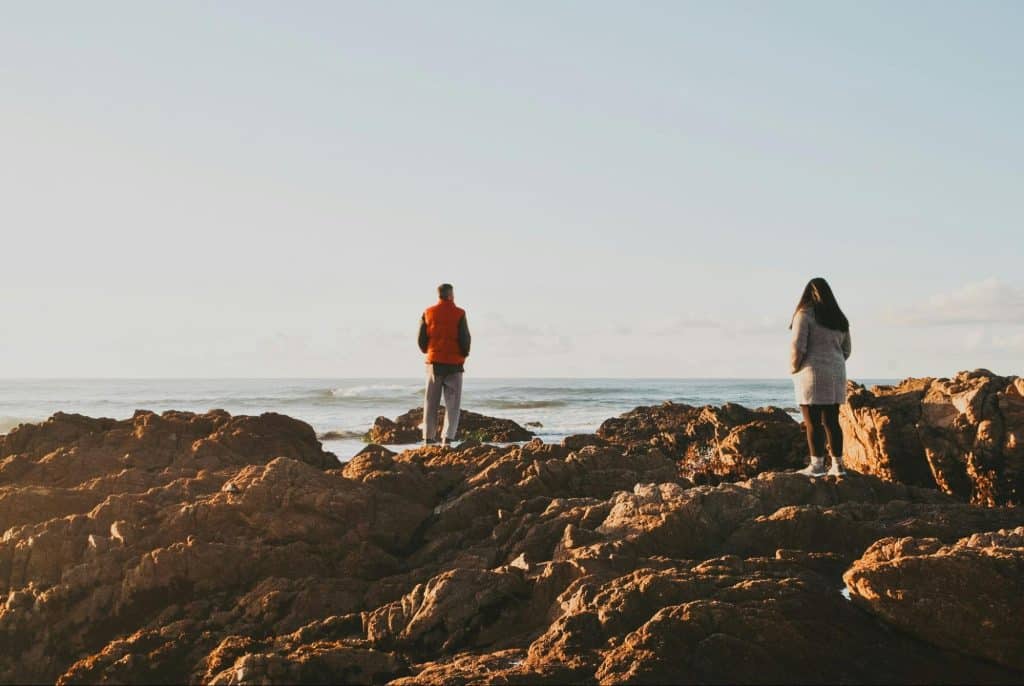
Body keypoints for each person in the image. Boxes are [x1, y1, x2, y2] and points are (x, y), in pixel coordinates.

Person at [790, 277, 852, 477]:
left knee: (812, 422)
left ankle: (816, 466)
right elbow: (847, 350)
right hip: (836, 373)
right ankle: (838, 466)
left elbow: (798, 347)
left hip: (811, 374)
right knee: (832, 421)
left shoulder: (805, 314)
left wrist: (794, 368)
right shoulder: (839, 319)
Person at [417, 283, 471, 446]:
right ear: (451, 295)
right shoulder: (459, 313)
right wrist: (464, 354)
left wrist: (429, 351)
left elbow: (421, 340)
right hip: (454, 365)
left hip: (434, 363)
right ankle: (447, 438)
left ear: (438, 295)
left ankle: (428, 437)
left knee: (430, 402)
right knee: (452, 404)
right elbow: (465, 339)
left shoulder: (428, 312)